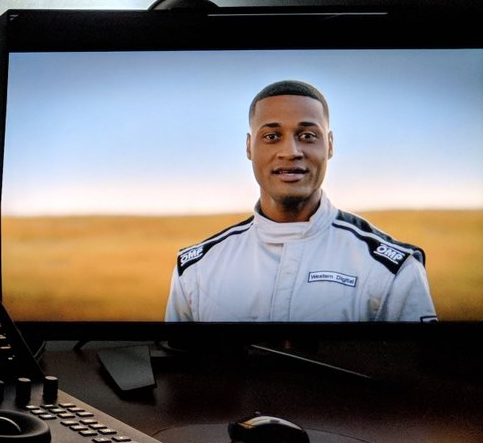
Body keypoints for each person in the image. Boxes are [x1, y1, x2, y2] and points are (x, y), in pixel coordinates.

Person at [167, 80, 436, 322]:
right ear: (249, 146)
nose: (291, 152)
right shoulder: (196, 269)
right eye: (272, 136)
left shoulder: (393, 270)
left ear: (330, 145)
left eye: (307, 136)